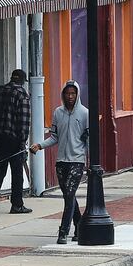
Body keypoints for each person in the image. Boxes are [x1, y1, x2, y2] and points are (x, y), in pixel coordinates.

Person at [30, 80, 88, 244]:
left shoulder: (84, 114)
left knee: (69, 195)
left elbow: (89, 139)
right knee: (68, 196)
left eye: (73, 93)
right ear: (63, 95)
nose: (70, 96)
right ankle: (79, 225)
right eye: (67, 93)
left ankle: (63, 232)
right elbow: (54, 137)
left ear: (77, 94)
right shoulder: (58, 113)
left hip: (77, 161)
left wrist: (89, 162)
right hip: (61, 162)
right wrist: (39, 145)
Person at [0, 69, 32, 214]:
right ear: (22, 81)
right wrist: (22, 141)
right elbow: (24, 121)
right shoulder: (22, 94)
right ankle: (17, 204)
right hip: (15, 139)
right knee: (17, 173)